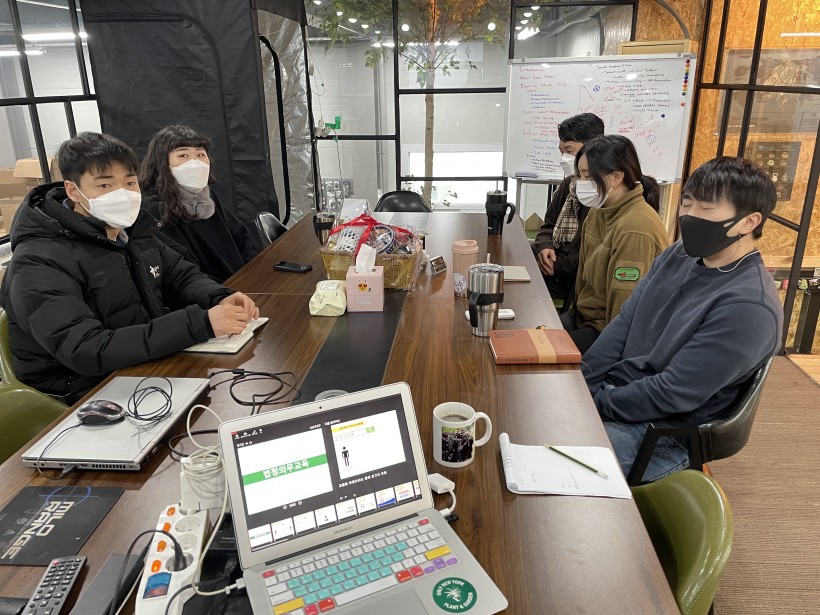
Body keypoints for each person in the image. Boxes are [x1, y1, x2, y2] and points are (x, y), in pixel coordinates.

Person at [0, 132, 258, 404]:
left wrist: (218, 297)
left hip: (140, 365)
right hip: (80, 393)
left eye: (130, 182)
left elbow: (179, 274)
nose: (122, 194)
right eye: (104, 185)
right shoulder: (38, 260)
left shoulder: (131, 233)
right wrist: (200, 323)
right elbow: (87, 350)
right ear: (73, 191)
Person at [583, 156, 782, 481]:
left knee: (558, 459)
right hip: (619, 395)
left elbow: (671, 393)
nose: (689, 216)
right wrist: (583, 382)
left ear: (748, 222)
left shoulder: (749, 307)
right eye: (687, 204)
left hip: (662, 432)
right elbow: (624, 324)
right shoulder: (678, 255)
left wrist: (596, 402)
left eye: (706, 208)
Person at [560, 135, 669, 353]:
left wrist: (603, 358)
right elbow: (584, 281)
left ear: (617, 177)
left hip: (608, 333)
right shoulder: (598, 211)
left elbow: (623, 313)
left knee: (541, 361)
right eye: (580, 175)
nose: (581, 183)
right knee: (531, 338)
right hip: (585, 317)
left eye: (588, 176)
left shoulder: (635, 228)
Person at [140, 125, 256, 283]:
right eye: (183, 155)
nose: (195, 162)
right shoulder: (154, 209)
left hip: (240, 281)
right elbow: (180, 269)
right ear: (162, 163)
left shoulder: (207, 196)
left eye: (201, 154)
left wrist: (254, 273)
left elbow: (241, 237)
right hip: (207, 290)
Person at [531, 113, 605, 303]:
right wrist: (545, 247)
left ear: (593, 147)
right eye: (561, 151)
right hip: (554, 268)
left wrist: (556, 267)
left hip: (573, 279)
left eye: (569, 151)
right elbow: (548, 226)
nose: (564, 158)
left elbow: (591, 253)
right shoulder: (568, 185)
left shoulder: (602, 194)